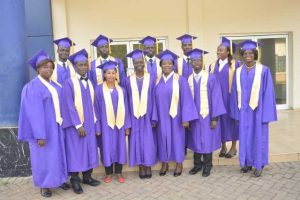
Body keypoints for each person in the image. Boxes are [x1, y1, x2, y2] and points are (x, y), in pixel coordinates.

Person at [18, 50, 68, 197]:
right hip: (43, 130)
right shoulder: (33, 87)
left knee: (57, 155)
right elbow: (34, 114)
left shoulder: (56, 85)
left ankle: (58, 179)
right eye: (45, 67)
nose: (49, 69)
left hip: (56, 127)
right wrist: (39, 135)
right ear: (38, 69)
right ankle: (44, 185)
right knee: (43, 158)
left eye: (51, 66)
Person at [230, 40, 277, 177]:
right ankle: (246, 162)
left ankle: (259, 164)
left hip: (258, 111)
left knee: (259, 137)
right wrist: (236, 112)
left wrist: (266, 115)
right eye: (245, 53)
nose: (247, 55)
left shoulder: (264, 71)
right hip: (244, 111)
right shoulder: (238, 72)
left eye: (250, 53)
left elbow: (268, 93)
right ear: (242, 55)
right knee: (244, 137)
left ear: (255, 54)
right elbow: (234, 93)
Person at [152, 49, 198, 177]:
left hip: (177, 117)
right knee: (162, 138)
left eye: (170, 63)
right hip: (162, 117)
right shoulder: (157, 81)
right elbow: (153, 101)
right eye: (164, 63)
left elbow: (187, 99)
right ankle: (165, 163)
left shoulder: (181, 80)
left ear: (173, 65)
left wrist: (186, 118)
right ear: (160, 65)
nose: (167, 66)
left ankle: (179, 163)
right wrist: (154, 118)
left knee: (177, 139)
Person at [61, 49, 100, 194]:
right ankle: (75, 181)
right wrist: (78, 125)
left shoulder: (89, 82)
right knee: (76, 152)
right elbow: (68, 105)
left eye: (85, 64)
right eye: (80, 65)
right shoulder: (69, 83)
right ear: (75, 66)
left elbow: (93, 104)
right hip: (75, 126)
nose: (83, 67)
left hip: (89, 123)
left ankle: (87, 177)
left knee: (90, 149)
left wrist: (95, 122)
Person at [186, 48, 226, 177]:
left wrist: (215, 118)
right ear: (191, 63)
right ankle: (197, 165)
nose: (196, 62)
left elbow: (216, 98)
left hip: (207, 116)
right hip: (194, 117)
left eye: (198, 60)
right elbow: (186, 101)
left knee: (207, 141)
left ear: (202, 62)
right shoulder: (188, 79)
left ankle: (208, 165)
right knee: (196, 141)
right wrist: (187, 117)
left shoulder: (211, 78)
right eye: (194, 60)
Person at [94, 60, 131, 184]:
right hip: (105, 125)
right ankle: (108, 173)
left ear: (116, 74)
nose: (111, 75)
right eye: (108, 73)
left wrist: (127, 126)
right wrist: (98, 127)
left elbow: (126, 109)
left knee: (120, 147)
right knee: (106, 148)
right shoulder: (98, 90)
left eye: (113, 73)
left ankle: (119, 173)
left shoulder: (122, 90)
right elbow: (96, 110)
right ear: (104, 74)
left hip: (119, 125)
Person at [125, 49, 157, 179]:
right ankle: (141, 166)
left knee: (148, 141)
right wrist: (127, 121)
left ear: (144, 62)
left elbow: (155, 98)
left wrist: (154, 117)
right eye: (135, 62)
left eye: (140, 61)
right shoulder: (127, 80)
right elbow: (125, 102)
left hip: (147, 116)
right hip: (134, 117)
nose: (138, 64)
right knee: (136, 141)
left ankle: (148, 165)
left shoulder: (152, 78)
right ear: (133, 63)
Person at [208, 37, 241, 158]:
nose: (218, 52)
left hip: (230, 98)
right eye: (218, 50)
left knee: (232, 121)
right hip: (217, 99)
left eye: (221, 50)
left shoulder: (235, 64)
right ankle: (223, 146)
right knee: (220, 121)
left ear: (228, 52)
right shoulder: (212, 65)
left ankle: (233, 147)